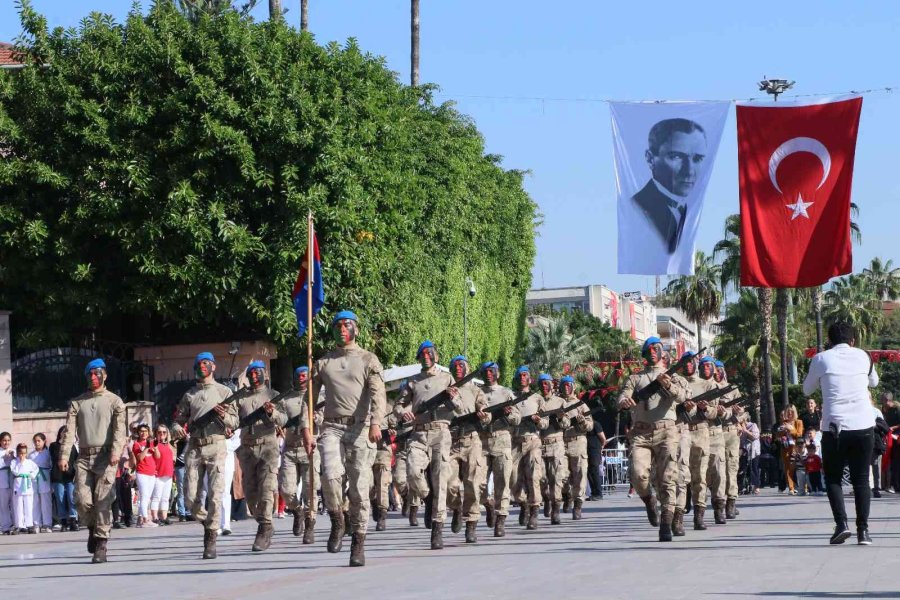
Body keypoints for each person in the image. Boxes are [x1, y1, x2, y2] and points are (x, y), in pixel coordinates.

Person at [310, 310, 385, 567]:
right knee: (330, 476)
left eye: (347, 325)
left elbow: (378, 395)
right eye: (338, 325)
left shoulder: (368, 359)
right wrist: (306, 427)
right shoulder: (323, 363)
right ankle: (336, 519)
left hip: (361, 428)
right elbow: (308, 400)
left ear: (356, 330)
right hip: (331, 427)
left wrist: (376, 422)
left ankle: (358, 541)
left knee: (359, 489)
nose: (342, 329)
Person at [802, 322, 879, 545]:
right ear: (853, 340)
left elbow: (807, 389)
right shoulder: (864, 356)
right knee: (861, 479)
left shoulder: (821, 358)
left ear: (830, 341)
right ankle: (863, 531)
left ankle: (841, 524)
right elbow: (873, 381)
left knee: (833, 477)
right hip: (863, 425)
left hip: (834, 427)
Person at [618, 337, 688, 542]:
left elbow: (683, 398)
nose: (653, 352)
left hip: (667, 431)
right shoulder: (635, 378)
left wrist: (669, 386)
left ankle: (666, 522)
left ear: (663, 352)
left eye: (657, 348)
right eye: (649, 349)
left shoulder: (673, 377)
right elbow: (622, 397)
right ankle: (649, 499)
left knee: (668, 478)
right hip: (641, 433)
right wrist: (624, 401)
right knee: (638, 474)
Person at [58, 358, 128, 563]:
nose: (94, 377)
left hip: (106, 457)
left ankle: (101, 544)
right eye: (90, 374)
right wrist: (63, 456)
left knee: (103, 500)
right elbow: (69, 432)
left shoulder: (115, 401)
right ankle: (92, 528)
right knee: (82, 500)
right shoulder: (77, 402)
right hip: (84, 457)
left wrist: (116, 451)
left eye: (97, 373)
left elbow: (119, 430)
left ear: (104, 375)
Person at [172, 351, 239, 560]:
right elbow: (177, 420)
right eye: (199, 363)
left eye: (206, 363)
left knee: (216, 494)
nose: (202, 366)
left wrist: (223, 415)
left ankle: (211, 537)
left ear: (213, 367)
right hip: (194, 446)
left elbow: (235, 421)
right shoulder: (189, 394)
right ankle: (207, 521)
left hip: (216, 445)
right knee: (191, 499)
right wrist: (177, 429)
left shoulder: (224, 391)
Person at [619, 118, 708, 274]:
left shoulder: (686, 209)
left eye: (697, 159)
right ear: (650, 158)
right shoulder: (638, 208)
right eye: (676, 157)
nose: (689, 170)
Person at [398, 340, 459, 550]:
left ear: (436, 356)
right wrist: (403, 412)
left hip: (441, 432)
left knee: (441, 478)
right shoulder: (412, 381)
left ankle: (437, 527)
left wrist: (450, 398)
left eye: (429, 353)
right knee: (413, 472)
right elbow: (399, 405)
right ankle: (428, 497)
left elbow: (457, 408)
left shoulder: (446, 378)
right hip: (418, 432)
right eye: (422, 354)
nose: (426, 356)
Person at [234, 360, 284, 552]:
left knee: (266, 488)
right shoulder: (241, 398)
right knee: (250, 494)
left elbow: (284, 419)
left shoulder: (274, 396)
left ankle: (264, 528)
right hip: (247, 450)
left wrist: (272, 413)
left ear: (266, 375)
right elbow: (233, 419)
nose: (254, 376)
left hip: (268, 447)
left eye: (258, 372)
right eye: (251, 373)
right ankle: (265, 522)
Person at [275, 366, 320, 543]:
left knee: (310, 490)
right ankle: (297, 510)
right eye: (298, 375)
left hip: (309, 447)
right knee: (286, 490)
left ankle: (309, 524)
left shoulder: (317, 397)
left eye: (304, 376)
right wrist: (273, 413)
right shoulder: (286, 399)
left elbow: (324, 419)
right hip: (291, 448)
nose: (301, 378)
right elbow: (279, 419)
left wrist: (316, 417)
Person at [445, 356, 487, 543]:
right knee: (448, 482)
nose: (459, 368)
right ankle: (456, 508)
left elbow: (486, 412)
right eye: (455, 366)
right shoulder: (445, 389)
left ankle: (471, 523)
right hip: (451, 440)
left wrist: (484, 415)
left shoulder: (475, 390)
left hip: (472, 440)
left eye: (462, 366)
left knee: (472, 483)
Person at [478, 361, 521, 537]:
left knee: (502, 482)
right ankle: (487, 504)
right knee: (477, 482)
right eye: (486, 371)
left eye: (492, 371)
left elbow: (517, 418)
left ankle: (501, 518)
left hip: (502, 439)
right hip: (481, 441)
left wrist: (510, 413)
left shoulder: (506, 393)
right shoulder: (477, 393)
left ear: (497, 374)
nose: (488, 374)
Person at [677, 351, 717, 531]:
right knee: (680, 475)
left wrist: (706, 408)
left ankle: (699, 515)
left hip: (701, 431)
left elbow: (716, 413)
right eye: (684, 362)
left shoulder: (707, 385)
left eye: (691, 362)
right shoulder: (676, 382)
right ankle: (678, 515)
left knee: (700, 476)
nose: (687, 365)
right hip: (681, 430)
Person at [510, 366, 546, 530]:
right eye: (520, 375)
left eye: (525, 375)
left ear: (530, 379)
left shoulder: (537, 398)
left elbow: (545, 422)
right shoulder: (511, 397)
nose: (522, 378)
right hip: (515, 441)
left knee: (533, 476)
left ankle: (534, 510)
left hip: (533, 440)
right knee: (513, 479)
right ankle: (522, 502)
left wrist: (538, 421)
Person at [699, 356, 728, 524]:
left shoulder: (720, 388)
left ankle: (719, 507)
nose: (706, 369)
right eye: (703, 366)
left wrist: (723, 412)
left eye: (709, 366)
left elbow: (731, 411)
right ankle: (699, 509)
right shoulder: (693, 386)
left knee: (718, 472)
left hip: (715, 433)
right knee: (699, 475)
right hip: (696, 433)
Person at [537, 374, 568, 526]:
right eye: (541, 383)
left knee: (556, 477)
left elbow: (567, 423)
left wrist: (561, 417)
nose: (544, 386)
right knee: (541, 477)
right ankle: (546, 498)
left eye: (546, 383)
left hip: (556, 443)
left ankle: (556, 508)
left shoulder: (560, 401)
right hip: (539, 443)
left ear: (552, 385)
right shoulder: (536, 400)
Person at [560, 376, 592, 521]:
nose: (566, 388)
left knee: (579, 474)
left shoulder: (581, 405)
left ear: (573, 387)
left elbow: (590, 426)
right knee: (561, 475)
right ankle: (566, 495)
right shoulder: (557, 403)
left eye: (568, 385)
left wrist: (582, 421)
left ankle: (578, 505)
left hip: (578, 441)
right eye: (564, 385)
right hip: (561, 442)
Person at [715, 361, 742, 519]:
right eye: (715, 370)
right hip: (715, 431)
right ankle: (720, 501)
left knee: (731, 468)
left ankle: (731, 502)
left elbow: (743, 412)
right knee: (717, 471)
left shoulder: (732, 389)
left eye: (720, 370)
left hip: (730, 431)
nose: (717, 373)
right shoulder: (708, 387)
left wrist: (738, 413)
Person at [49, 426, 78, 532]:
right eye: (63, 432)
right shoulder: (53, 446)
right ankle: (63, 521)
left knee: (71, 497)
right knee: (60, 498)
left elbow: (76, 459)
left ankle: (73, 520)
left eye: (67, 432)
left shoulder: (73, 447)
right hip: (58, 475)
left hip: (70, 475)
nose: (65, 434)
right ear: (60, 433)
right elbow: (55, 457)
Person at [130, 423, 159, 528]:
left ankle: (141, 519)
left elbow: (158, 456)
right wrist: (146, 447)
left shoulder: (151, 442)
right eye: (141, 431)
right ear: (138, 432)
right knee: (144, 496)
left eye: (145, 431)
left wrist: (155, 447)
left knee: (148, 497)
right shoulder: (136, 444)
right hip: (142, 472)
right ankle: (146, 520)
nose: (143, 433)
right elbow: (139, 458)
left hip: (151, 472)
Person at [150, 425, 175, 525]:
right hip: (158, 474)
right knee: (156, 497)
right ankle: (155, 517)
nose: (162, 434)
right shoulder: (153, 444)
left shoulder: (169, 444)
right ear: (156, 433)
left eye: (164, 432)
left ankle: (164, 517)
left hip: (168, 474)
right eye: (159, 432)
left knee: (165, 497)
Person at [11, 443, 38, 534]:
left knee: (29, 506)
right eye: (20, 453)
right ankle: (19, 525)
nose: (22, 455)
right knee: (18, 506)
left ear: (26, 453)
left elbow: (36, 469)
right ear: (17, 453)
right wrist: (21, 463)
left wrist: (31, 475)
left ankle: (29, 524)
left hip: (27, 485)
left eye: (24, 453)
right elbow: (15, 472)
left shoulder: (30, 462)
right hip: (18, 486)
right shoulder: (14, 462)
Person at [777, 406, 804, 495]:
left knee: (799, 467)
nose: (790, 414)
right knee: (788, 469)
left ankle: (803, 487)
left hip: (796, 447)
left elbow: (799, 435)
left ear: (794, 413)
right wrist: (783, 430)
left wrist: (791, 429)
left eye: (791, 412)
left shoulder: (799, 422)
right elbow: (778, 435)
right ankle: (791, 488)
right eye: (788, 412)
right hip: (786, 448)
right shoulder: (783, 423)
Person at [29, 433, 53, 532]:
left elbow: (51, 465)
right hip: (34, 478)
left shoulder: (48, 453)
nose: (37, 443)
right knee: (35, 502)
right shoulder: (31, 455)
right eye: (35, 441)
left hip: (45, 477)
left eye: (39, 441)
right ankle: (36, 524)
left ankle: (47, 524)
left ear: (44, 441)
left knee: (46, 502)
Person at [738, 412, 760, 495]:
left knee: (754, 468)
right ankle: (742, 486)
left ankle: (756, 486)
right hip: (743, 450)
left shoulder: (753, 425)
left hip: (753, 450)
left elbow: (755, 436)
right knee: (743, 469)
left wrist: (745, 431)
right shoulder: (737, 426)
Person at [586, 417, 607, 501]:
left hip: (594, 450)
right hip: (586, 450)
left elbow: (603, 439)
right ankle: (593, 493)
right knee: (589, 472)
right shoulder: (584, 425)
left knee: (594, 471)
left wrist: (600, 448)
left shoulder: (595, 424)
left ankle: (598, 493)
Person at [0, 432, 13, 535]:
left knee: (14, 504)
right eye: (4, 440)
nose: (6, 442)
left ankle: (15, 524)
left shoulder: (13, 451)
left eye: (8, 440)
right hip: (2, 479)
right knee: (3, 504)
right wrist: (4, 456)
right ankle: (5, 526)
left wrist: (12, 457)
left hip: (12, 479)